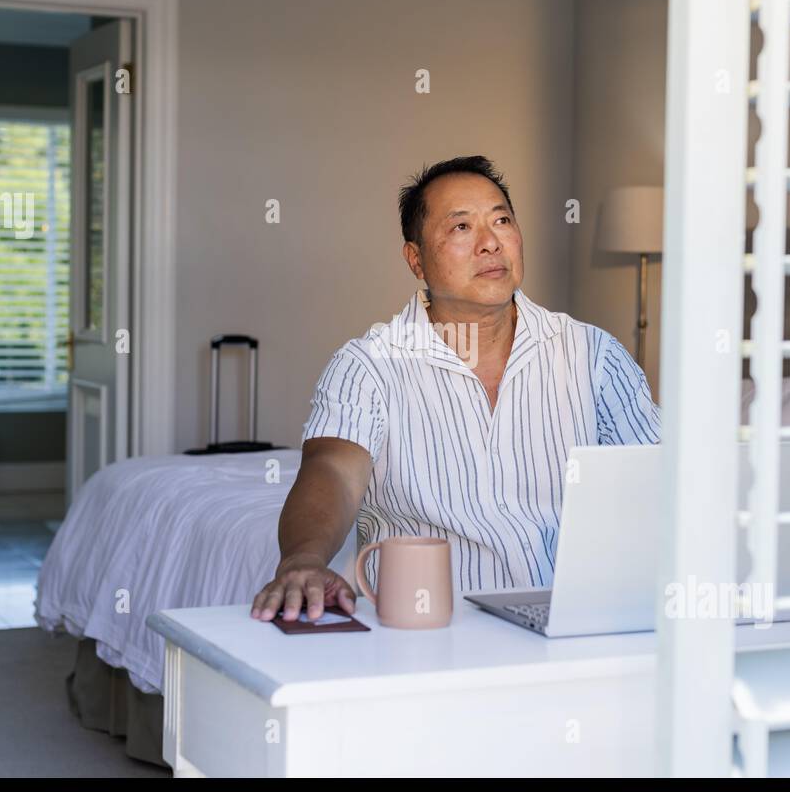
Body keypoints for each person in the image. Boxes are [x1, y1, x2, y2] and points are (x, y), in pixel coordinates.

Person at [251, 155, 660, 622]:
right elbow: (334, 473)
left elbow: (659, 477)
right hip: (427, 632)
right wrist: (303, 558)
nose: (490, 243)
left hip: (570, 624)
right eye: (461, 228)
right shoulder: (369, 364)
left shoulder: (593, 355)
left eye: (501, 220)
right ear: (416, 259)